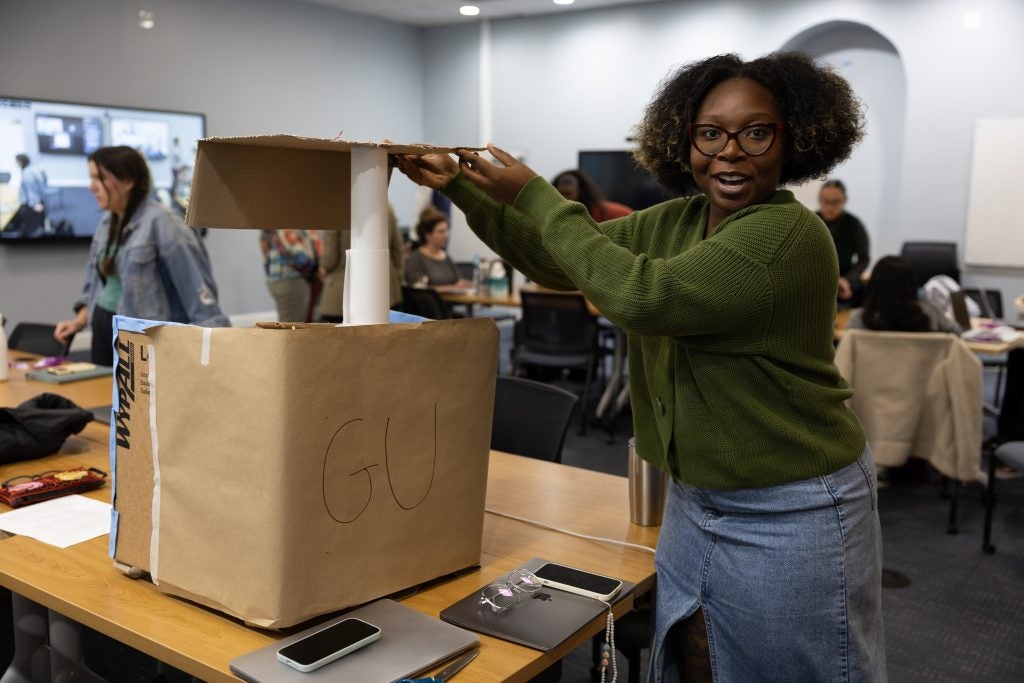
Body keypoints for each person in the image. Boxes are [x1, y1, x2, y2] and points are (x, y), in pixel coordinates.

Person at [396, 51, 885, 681]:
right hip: (695, 497)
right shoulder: (680, 220)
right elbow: (558, 260)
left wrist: (534, 193)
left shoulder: (788, 237)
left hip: (789, 509)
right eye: (709, 133)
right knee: (693, 655)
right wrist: (458, 185)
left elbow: (640, 297)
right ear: (685, 141)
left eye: (755, 132)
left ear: (794, 140)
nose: (729, 151)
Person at [55, 146, 229, 366]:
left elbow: (200, 299)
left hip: (144, 345)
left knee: (145, 401)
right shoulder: (108, 222)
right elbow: (102, 284)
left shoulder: (165, 224)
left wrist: (216, 357)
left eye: (99, 178)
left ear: (128, 182)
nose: (91, 187)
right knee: (104, 400)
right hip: (104, 336)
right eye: (91, 179)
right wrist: (78, 321)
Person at [319, 203, 405, 323]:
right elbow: (398, 248)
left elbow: (330, 259)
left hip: (343, 290)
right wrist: (397, 277)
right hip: (384, 289)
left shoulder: (337, 209)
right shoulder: (385, 206)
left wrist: (322, 268)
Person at [845, 255, 961, 333]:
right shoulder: (930, 313)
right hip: (922, 370)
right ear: (912, 284)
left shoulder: (860, 320)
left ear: (873, 285)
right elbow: (956, 334)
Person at [817, 178, 870, 307]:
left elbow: (863, 259)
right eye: (826, 201)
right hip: (814, 282)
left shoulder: (854, 224)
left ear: (845, 200)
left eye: (836, 202)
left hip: (844, 281)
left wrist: (847, 279)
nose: (830, 207)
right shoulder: (810, 222)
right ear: (820, 200)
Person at [259, 229, 322, 322]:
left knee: (291, 326)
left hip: (279, 279)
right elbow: (295, 252)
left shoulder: (268, 228)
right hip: (291, 280)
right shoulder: (284, 223)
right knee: (292, 329)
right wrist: (315, 270)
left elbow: (266, 254)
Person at [403, 211, 473, 293]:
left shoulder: (446, 257)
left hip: (450, 304)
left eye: (447, 231)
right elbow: (418, 289)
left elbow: (458, 281)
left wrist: (464, 284)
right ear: (427, 234)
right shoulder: (416, 258)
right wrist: (452, 288)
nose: (446, 235)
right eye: (441, 232)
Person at [551, 169, 632, 221]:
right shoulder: (553, 217)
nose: (567, 186)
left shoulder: (618, 214)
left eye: (570, 183)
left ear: (581, 190)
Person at [7, 154, 50, 236]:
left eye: (17, 162)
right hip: (39, 199)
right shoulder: (31, 169)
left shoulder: (27, 174)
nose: (16, 164)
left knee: (24, 219)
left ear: (21, 162)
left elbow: (31, 191)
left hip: (33, 203)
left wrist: (36, 203)